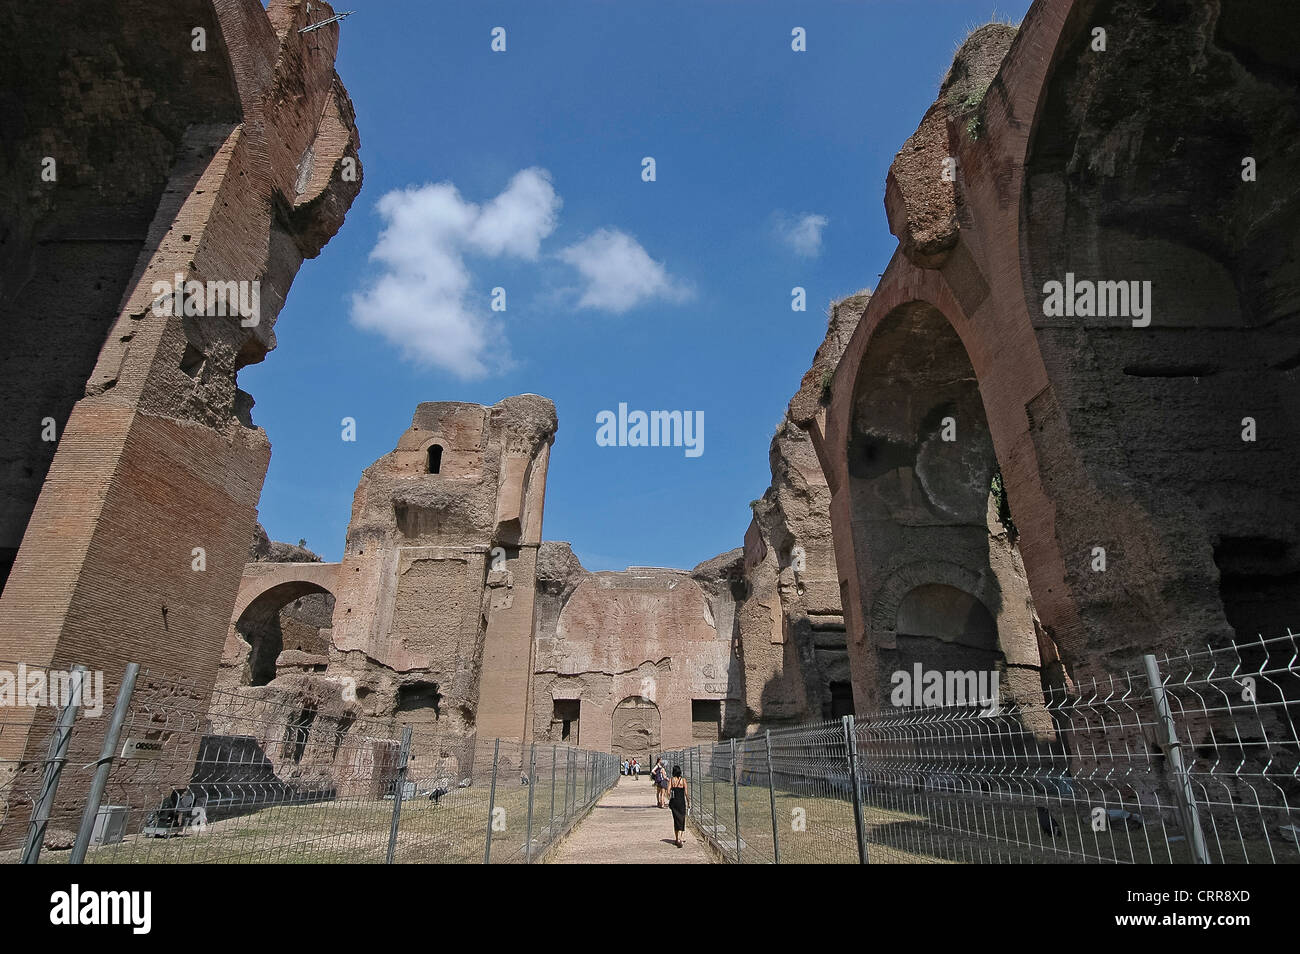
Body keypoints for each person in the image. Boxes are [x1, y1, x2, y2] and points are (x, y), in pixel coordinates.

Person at [668, 765, 689, 847]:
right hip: (681, 802)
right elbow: (686, 793)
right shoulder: (683, 780)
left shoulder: (671, 780)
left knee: (676, 820)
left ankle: (677, 838)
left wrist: (670, 797)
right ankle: (679, 838)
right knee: (682, 819)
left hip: (674, 802)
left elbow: (668, 791)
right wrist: (688, 801)